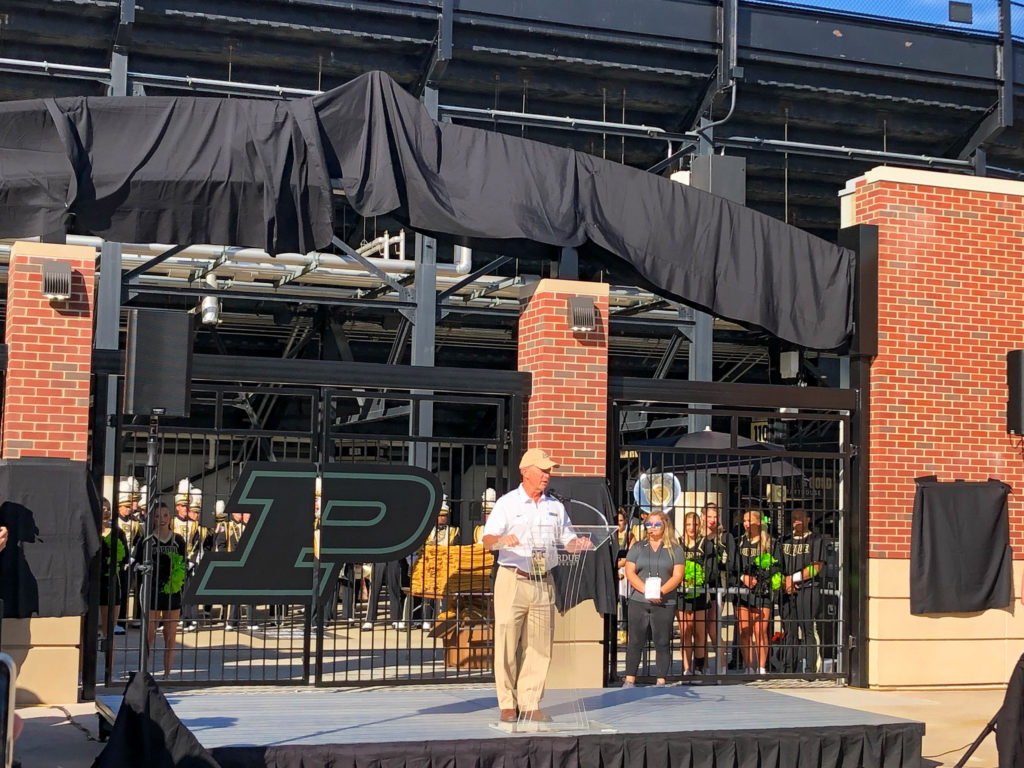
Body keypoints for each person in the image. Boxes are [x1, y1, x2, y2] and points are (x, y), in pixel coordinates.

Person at [481, 448, 592, 723]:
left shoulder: (555, 506)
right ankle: (507, 703)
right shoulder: (507, 503)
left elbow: (567, 537)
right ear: (525, 471)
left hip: (544, 580)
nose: (547, 475)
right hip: (513, 578)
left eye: (549, 470)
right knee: (507, 642)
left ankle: (530, 702)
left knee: (541, 646)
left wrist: (576, 544)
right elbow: (487, 539)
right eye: (542, 470)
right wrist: (500, 541)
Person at [621, 510, 684, 688]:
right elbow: (630, 571)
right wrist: (646, 590)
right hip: (639, 601)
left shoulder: (675, 549)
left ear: (665, 526)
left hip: (664, 602)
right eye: (649, 525)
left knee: (662, 641)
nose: (652, 528)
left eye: (656, 524)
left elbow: (677, 575)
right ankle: (630, 679)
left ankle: (661, 680)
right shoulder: (638, 547)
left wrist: (660, 592)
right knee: (635, 640)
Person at [134, 502, 187, 679]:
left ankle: (166, 675)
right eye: (157, 516)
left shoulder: (178, 540)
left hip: (173, 593)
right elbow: (135, 562)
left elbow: (183, 564)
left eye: (165, 515)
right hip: (152, 592)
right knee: (148, 637)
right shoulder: (146, 540)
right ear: (152, 519)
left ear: (170, 517)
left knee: (170, 637)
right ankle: (145, 674)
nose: (162, 519)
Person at [730, 508, 781, 675]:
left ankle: (761, 667)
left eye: (749, 520)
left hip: (762, 593)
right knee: (745, 631)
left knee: (761, 631)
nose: (746, 524)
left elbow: (776, 568)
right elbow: (733, 567)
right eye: (744, 520)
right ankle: (748, 667)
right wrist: (743, 577)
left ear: (759, 522)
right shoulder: (739, 542)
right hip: (743, 592)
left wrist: (761, 580)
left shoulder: (770, 544)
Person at [779, 508, 826, 673]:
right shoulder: (785, 541)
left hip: (809, 589)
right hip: (787, 591)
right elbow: (777, 565)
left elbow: (816, 568)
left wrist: (794, 578)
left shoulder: (816, 539)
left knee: (808, 629)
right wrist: (785, 580)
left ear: (808, 519)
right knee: (789, 631)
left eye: (800, 518)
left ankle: (811, 670)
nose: (796, 521)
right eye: (793, 518)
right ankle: (788, 669)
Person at [677, 511, 715, 676]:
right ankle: (686, 668)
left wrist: (699, 580)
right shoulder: (677, 544)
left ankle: (698, 667)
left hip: (699, 594)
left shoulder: (706, 544)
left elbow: (711, 570)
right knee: (685, 632)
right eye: (688, 525)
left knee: (700, 632)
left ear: (699, 526)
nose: (691, 528)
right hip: (681, 594)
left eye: (695, 524)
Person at [419, 495, 459, 629]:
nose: (441, 518)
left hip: (446, 566)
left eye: (444, 515)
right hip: (430, 566)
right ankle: (426, 619)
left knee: (444, 594)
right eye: (439, 515)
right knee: (428, 595)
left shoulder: (454, 531)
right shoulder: (428, 531)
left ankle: (443, 617)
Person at [702, 502, 733, 673]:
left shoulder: (723, 537)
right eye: (709, 516)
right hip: (699, 586)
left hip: (717, 586)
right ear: (703, 516)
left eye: (715, 516)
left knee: (713, 627)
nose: (712, 520)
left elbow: (729, 563)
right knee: (700, 629)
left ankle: (721, 666)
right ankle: (703, 666)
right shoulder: (698, 536)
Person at [99, 497, 128, 653]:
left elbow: (124, 557)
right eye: (102, 509)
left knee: (108, 632)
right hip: (92, 583)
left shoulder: (118, 532)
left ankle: (109, 672)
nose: (106, 512)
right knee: (84, 632)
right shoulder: (91, 531)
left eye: (108, 509)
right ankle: (82, 672)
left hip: (111, 583)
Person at [613, 509, 630, 643]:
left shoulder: (629, 536)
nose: (619, 523)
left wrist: (620, 563)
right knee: (613, 601)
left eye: (621, 520)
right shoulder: (611, 535)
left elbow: (631, 555)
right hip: (613, 571)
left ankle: (624, 631)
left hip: (625, 572)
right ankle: (612, 631)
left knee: (624, 603)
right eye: (616, 521)